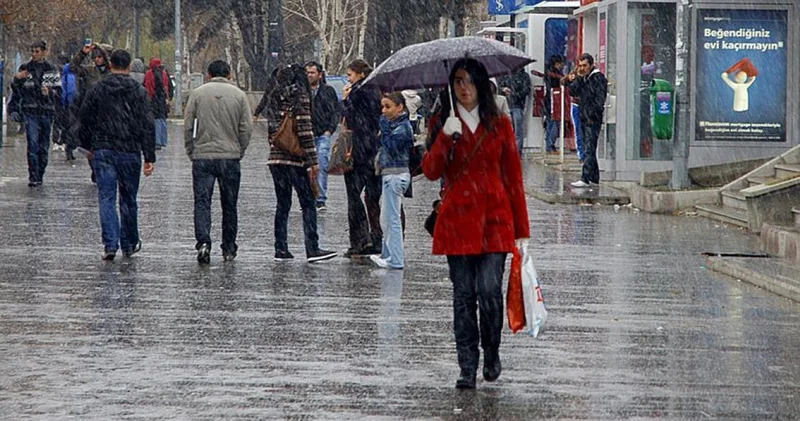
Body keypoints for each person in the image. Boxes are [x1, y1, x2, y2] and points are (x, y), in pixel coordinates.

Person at [422, 58, 530, 389]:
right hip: (457, 223)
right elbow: (429, 171)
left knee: (489, 292)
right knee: (464, 296)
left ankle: (491, 351)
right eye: (457, 81)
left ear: (481, 84)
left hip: (495, 221)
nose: (464, 87)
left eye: (469, 81)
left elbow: (513, 177)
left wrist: (522, 232)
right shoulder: (444, 123)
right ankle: (467, 365)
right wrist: (444, 137)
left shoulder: (500, 125)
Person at [78, 49, 156, 261]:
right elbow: (148, 125)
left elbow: (85, 118)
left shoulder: (98, 88)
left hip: (104, 149)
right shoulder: (139, 92)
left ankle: (110, 244)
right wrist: (149, 157)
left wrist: (87, 147)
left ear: (110, 65)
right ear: (129, 66)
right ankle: (129, 243)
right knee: (129, 198)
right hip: (130, 150)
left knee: (106, 197)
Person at [184, 60, 253, 264]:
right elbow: (246, 128)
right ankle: (229, 247)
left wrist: (191, 149)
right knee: (229, 204)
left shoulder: (197, 94)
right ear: (229, 75)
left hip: (203, 156)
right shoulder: (239, 95)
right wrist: (239, 149)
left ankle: (204, 241)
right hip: (229, 157)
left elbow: (188, 125)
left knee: (202, 202)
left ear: (208, 74)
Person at [267, 64, 337, 263]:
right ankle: (312, 248)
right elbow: (305, 130)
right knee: (308, 203)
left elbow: (272, 130)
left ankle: (281, 248)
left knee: (283, 204)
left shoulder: (274, 96)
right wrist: (313, 161)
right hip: (296, 160)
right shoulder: (301, 97)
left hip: (276, 159)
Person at [342, 59, 383, 257]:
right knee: (373, 197)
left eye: (350, 75)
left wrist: (345, 100)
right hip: (373, 150)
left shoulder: (357, 93)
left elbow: (349, 117)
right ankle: (377, 238)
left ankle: (359, 240)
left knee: (354, 196)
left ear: (360, 74)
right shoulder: (377, 92)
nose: (348, 79)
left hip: (357, 151)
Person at [371, 92, 413, 270]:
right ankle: (387, 255)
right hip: (389, 174)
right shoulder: (395, 124)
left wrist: (384, 130)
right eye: (383, 107)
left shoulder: (403, 127)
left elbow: (393, 147)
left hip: (396, 175)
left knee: (393, 218)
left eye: (388, 107)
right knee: (386, 219)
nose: (384, 111)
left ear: (400, 107)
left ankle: (395, 259)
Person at [13, 40, 60, 187]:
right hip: (30, 111)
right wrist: (17, 80)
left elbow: (59, 92)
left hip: (46, 111)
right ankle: (33, 175)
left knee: (43, 145)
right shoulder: (26, 68)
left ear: (44, 52)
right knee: (33, 144)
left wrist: (50, 92)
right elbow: (17, 91)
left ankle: (40, 172)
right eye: (32, 51)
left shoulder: (50, 69)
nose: (34, 54)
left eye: (37, 51)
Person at [71, 42, 114, 183]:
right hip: (91, 113)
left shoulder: (112, 72)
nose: (97, 60)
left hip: (108, 113)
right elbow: (73, 67)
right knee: (91, 144)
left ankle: (103, 167)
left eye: (100, 57)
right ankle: (95, 168)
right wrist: (83, 53)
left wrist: (101, 48)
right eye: (95, 57)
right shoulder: (90, 71)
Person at [564, 53, 607, 188]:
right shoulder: (583, 78)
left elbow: (599, 100)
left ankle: (585, 177)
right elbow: (573, 91)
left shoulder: (598, 78)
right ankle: (594, 177)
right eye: (580, 65)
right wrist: (575, 78)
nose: (582, 68)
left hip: (592, 118)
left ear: (591, 65)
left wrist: (592, 115)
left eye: (585, 66)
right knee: (588, 147)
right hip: (584, 116)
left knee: (589, 147)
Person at [305, 61, 339, 211]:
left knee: (322, 164)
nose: (309, 75)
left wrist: (329, 130)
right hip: (305, 135)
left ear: (319, 74)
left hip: (322, 134)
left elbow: (335, 112)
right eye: (307, 72)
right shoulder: (302, 91)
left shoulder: (328, 91)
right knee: (306, 167)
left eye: (312, 72)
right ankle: (307, 197)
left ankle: (320, 198)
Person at [500, 67, 531, 154]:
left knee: (518, 130)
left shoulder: (524, 76)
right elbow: (499, 87)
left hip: (518, 106)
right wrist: (503, 89)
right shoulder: (506, 75)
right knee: (507, 130)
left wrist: (513, 94)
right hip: (506, 106)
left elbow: (526, 90)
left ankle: (517, 152)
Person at [145, 58, 172, 150]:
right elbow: (168, 87)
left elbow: (148, 87)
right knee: (162, 120)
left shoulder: (149, 74)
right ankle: (162, 140)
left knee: (155, 120)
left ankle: (157, 141)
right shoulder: (164, 74)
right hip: (162, 100)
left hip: (153, 99)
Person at [544, 55, 565, 154]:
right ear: (557, 63)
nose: (562, 65)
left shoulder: (548, 72)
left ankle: (548, 145)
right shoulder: (555, 74)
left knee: (550, 123)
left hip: (548, 100)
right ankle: (550, 145)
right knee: (555, 123)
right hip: (554, 100)